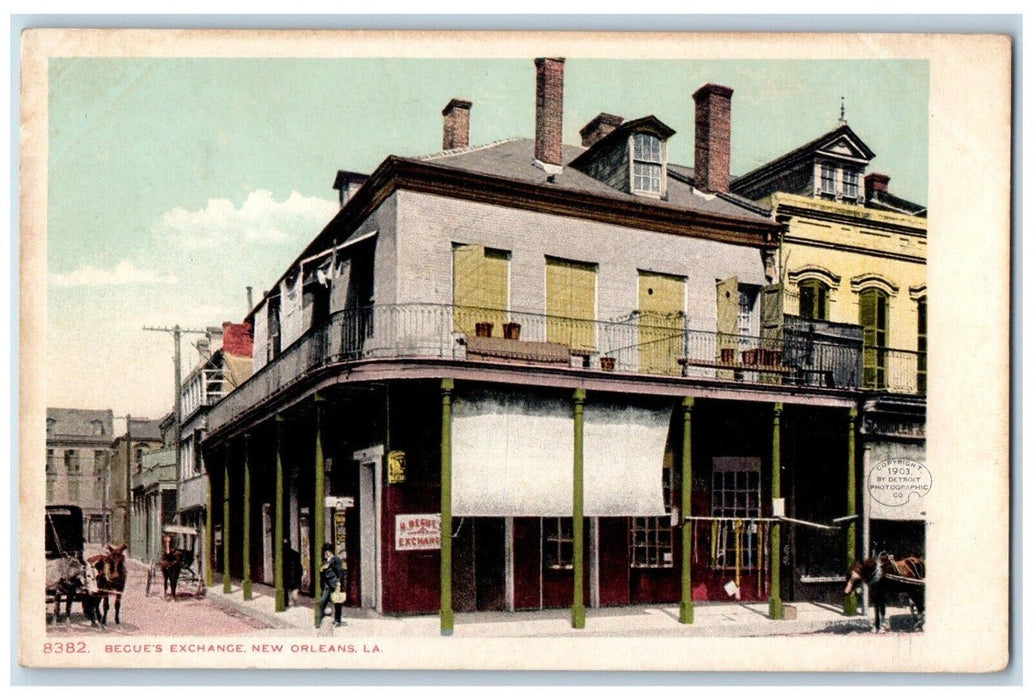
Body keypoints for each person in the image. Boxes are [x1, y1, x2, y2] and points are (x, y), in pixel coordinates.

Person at [319, 542, 346, 627]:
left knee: (337, 602)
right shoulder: (325, 560)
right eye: (326, 551)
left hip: (334, 583)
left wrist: (338, 583)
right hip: (327, 585)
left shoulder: (336, 559)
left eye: (328, 551)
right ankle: (321, 620)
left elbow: (340, 572)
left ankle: (337, 620)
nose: (327, 553)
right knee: (323, 601)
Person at [284, 542, 302, 608]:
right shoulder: (296, 553)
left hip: (286, 574)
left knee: (285, 589)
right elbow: (299, 566)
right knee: (293, 589)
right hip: (294, 574)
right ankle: (295, 603)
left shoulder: (282, 554)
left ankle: (286, 603)